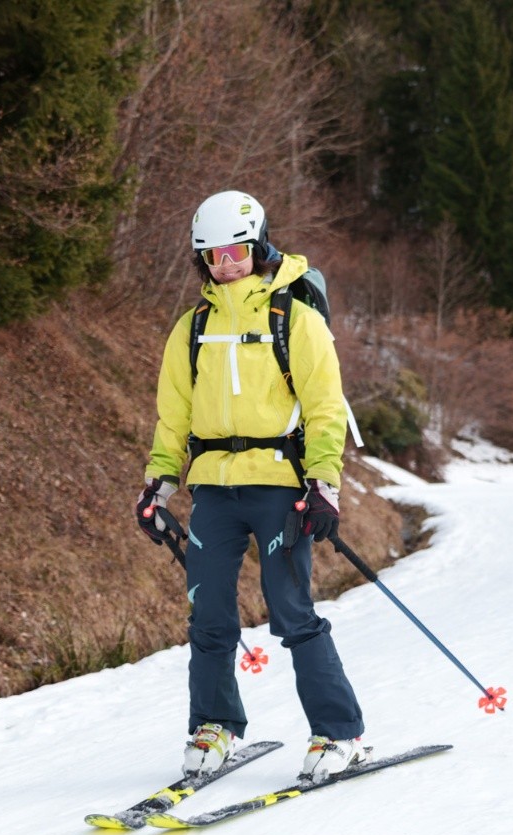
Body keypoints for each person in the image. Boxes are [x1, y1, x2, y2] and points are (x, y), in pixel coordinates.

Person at [135, 189, 369, 783]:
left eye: (237, 250)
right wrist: (158, 488)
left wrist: (324, 486)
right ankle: (215, 726)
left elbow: (324, 408)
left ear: (258, 244)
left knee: (292, 612)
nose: (227, 264)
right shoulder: (191, 330)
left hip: (280, 490)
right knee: (208, 615)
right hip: (213, 490)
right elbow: (174, 416)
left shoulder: (295, 318)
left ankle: (338, 733)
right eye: (213, 256)